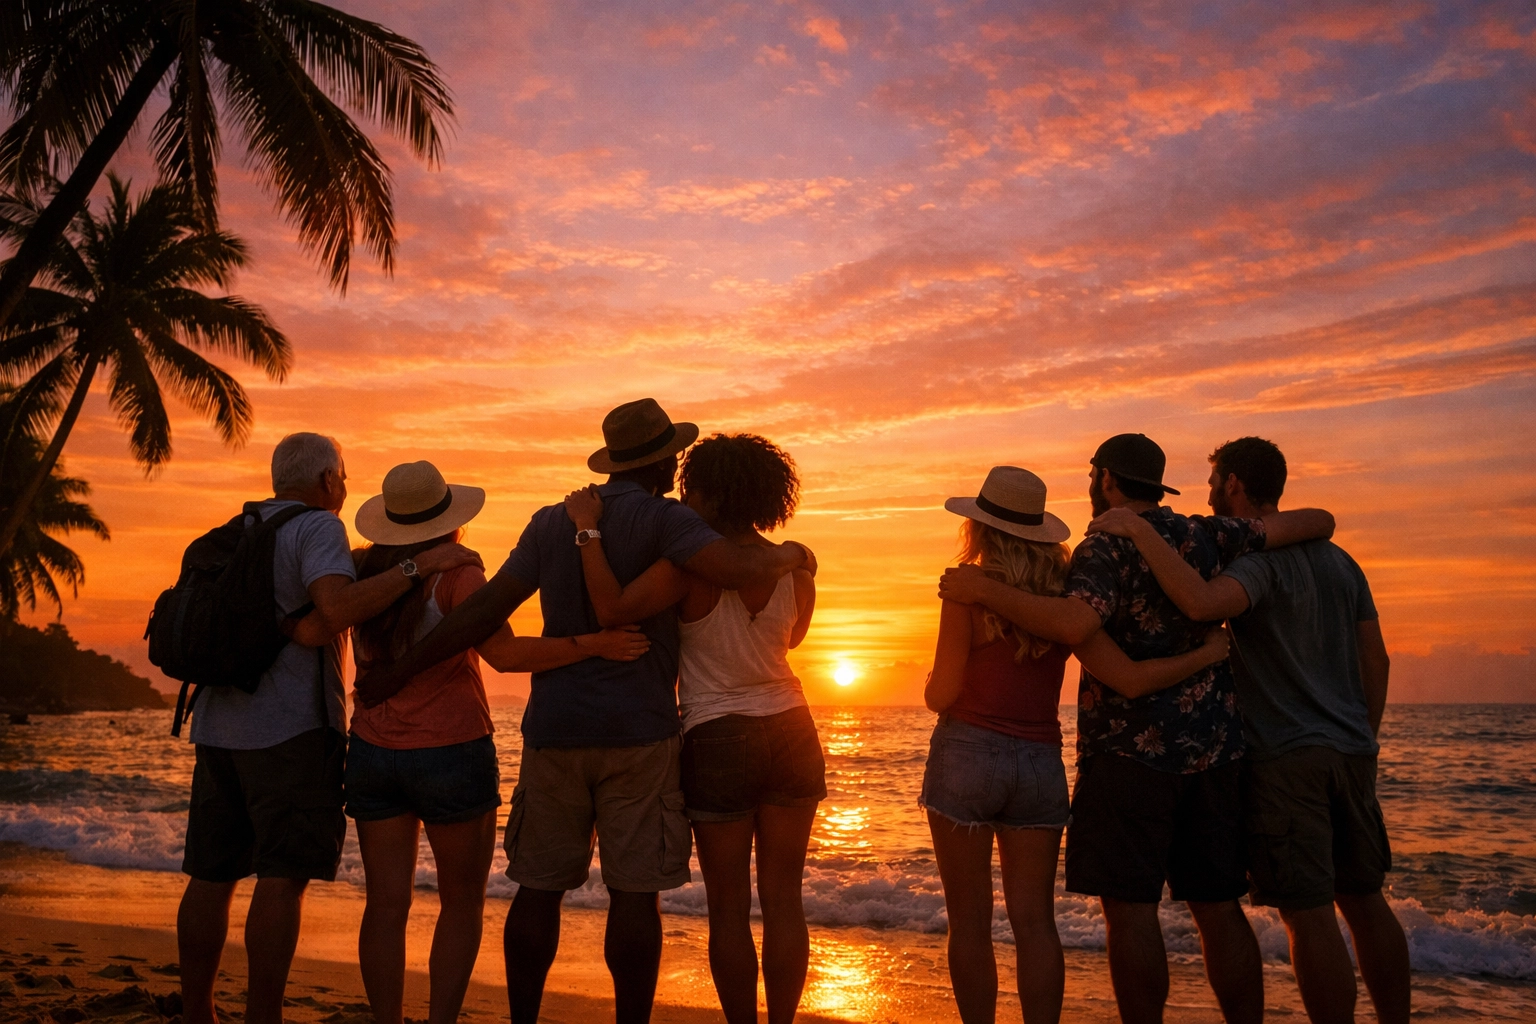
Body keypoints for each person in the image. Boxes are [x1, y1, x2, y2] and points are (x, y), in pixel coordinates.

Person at [352, 399, 816, 1024]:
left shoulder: (550, 522)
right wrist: (792, 554)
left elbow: (483, 611)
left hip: (556, 730)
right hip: (642, 733)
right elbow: (735, 572)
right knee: (635, 893)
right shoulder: (673, 523)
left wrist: (397, 672)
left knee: (538, 888)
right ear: (669, 462)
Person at [938, 433, 1336, 1024]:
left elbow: (1074, 626)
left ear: (1105, 480)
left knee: (1127, 912)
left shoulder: (1100, 552)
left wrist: (981, 589)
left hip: (1127, 756)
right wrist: (1206, 656)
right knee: (1218, 907)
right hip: (1214, 751)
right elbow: (1319, 519)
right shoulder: (1207, 535)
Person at [285, 461, 648, 1024]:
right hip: (452, 751)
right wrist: (591, 644)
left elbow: (314, 623)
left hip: (375, 752)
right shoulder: (458, 576)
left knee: (385, 906)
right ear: (450, 521)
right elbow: (504, 655)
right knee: (460, 905)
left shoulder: (362, 571)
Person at [1087, 437, 1410, 1024]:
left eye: (1214, 483)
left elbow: (1204, 604)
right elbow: (1378, 660)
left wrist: (1140, 534)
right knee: (1365, 902)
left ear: (1234, 483)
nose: (1209, 496)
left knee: (1308, 913)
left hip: (1285, 759)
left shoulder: (1255, 562)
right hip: (1352, 753)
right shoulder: (1341, 562)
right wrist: (1365, 735)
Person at [176, 434, 481, 1024]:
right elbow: (338, 610)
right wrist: (421, 564)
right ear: (325, 481)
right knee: (281, 879)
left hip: (216, 725)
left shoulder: (229, 533)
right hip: (288, 732)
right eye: (342, 475)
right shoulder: (316, 528)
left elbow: (314, 623)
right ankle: (263, 1015)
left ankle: (198, 1012)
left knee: (210, 875)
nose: (343, 485)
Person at [924, 465, 1233, 1024]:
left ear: (980, 529)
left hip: (967, 752)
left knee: (969, 921)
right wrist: (1205, 657)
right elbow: (1132, 679)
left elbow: (943, 691)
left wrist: (931, 687)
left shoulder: (967, 589)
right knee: (1035, 921)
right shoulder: (1068, 600)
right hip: (1040, 764)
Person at [564, 433, 821, 1024]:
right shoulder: (795, 568)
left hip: (715, 731)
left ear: (702, 491)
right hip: (792, 726)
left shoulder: (687, 568)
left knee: (728, 908)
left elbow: (615, 607)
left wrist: (589, 534)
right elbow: (793, 640)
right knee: (785, 901)